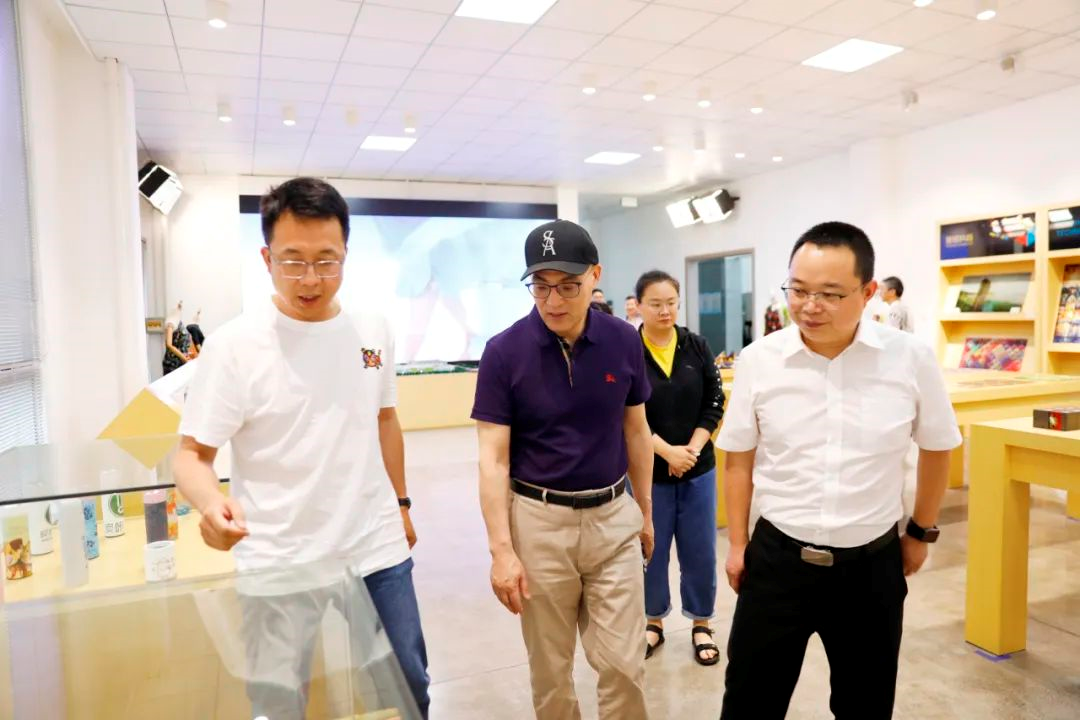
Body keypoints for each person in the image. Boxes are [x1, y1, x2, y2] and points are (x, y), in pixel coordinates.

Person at [173, 177, 430, 720]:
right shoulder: (234, 347)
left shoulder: (372, 330)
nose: (311, 279)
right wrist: (211, 505)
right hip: (278, 555)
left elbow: (385, 420)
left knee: (406, 685)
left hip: (374, 545)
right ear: (266, 258)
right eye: (293, 262)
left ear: (345, 256)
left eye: (326, 261)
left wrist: (402, 504)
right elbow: (192, 455)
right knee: (278, 699)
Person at [717, 221, 961, 719]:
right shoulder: (760, 359)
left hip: (870, 568)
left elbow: (938, 447)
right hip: (777, 561)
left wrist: (920, 532)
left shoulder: (909, 358)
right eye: (798, 290)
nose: (810, 306)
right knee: (749, 702)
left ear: (868, 292)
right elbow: (739, 456)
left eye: (830, 294)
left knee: (865, 704)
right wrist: (738, 543)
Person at [473, 219, 655, 720]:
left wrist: (645, 511)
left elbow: (637, 430)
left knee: (624, 665)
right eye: (541, 286)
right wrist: (501, 551)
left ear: (596, 276)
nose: (553, 301)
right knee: (551, 672)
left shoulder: (623, 340)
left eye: (569, 286)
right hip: (539, 524)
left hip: (613, 519)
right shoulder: (503, 352)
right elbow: (492, 459)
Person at [635, 271, 724, 666]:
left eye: (671, 302)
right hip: (647, 472)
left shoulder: (696, 346)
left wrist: (690, 449)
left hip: (697, 467)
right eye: (656, 304)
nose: (665, 311)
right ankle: (653, 621)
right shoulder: (628, 351)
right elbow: (625, 414)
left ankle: (701, 622)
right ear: (639, 306)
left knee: (700, 550)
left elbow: (714, 402)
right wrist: (666, 452)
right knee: (650, 550)